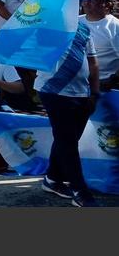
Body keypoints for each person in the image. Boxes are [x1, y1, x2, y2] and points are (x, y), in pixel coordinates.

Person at [35, 20, 101, 207]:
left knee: (68, 139)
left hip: (82, 93)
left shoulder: (84, 28)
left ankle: (52, 178)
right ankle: (80, 190)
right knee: (67, 141)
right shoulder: (46, 26)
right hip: (52, 91)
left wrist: (95, 93)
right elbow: (36, 55)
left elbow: (93, 63)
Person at [80, 0, 119, 92]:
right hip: (78, 83)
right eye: (84, 0)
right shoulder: (76, 22)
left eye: (91, 1)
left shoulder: (115, 26)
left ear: (107, 5)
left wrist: (113, 80)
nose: (85, 3)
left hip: (105, 84)